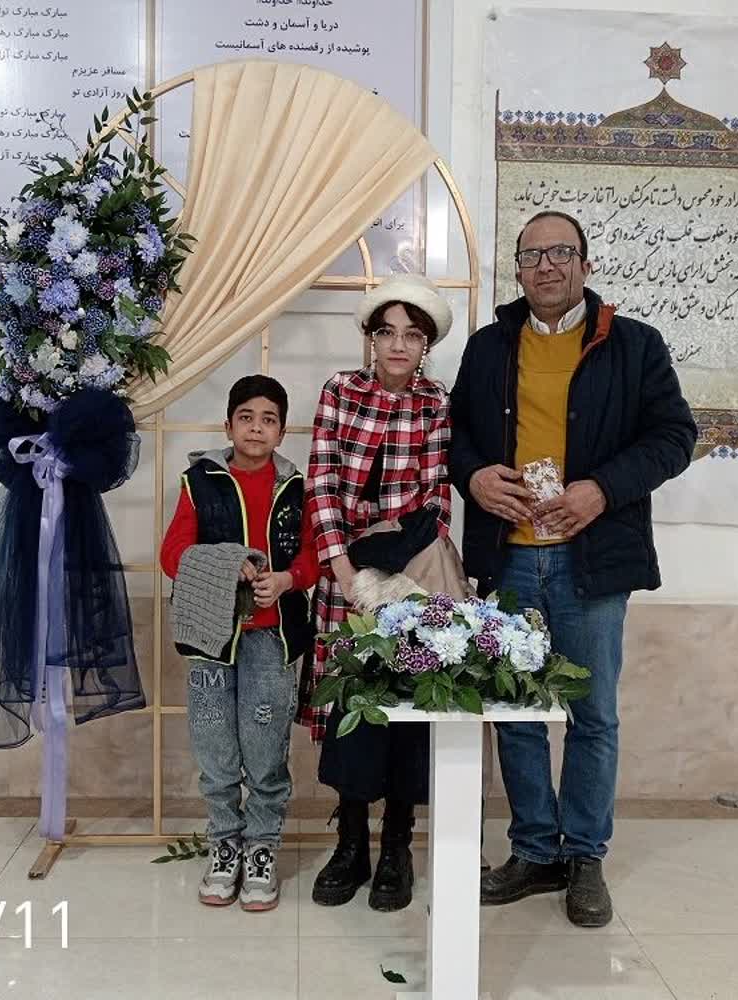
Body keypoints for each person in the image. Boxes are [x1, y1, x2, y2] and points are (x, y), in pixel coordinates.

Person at [449, 210, 697, 926]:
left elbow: (675, 436)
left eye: (560, 252)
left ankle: (585, 854)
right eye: (531, 255)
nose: (546, 266)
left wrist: (602, 489)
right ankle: (534, 851)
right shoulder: (490, 346)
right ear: (518, 272)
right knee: (518, 713)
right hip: (509, 557)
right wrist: (473, 477)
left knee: (592, 715)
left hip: (592, 559)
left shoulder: (634, 345)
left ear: (585, 265)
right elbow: (454, 433)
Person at [299, 273, 454, 912]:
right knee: (353, 706)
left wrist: (401, 583)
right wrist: (344, 572)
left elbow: (436, 495)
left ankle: (397, 844)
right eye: (387, 332)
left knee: (405, 705)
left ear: (425, 346)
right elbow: (321, 482)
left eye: (411, 335)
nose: (397, 345)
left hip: (408, 579)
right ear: (370, 339)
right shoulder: (341, 391)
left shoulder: (435, 402)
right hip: (347, 576)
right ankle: (351, 842)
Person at [160, 374, 319, 911]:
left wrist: (287, 580)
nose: (256, 428)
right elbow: (172, 554)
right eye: (246, 417)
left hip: (272, 639)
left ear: (282, 432)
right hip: (211, 638)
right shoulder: (198, 481)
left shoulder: (296, 487)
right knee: (215, 750)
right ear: (227, 426)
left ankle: (262, 848)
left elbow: (313, 556)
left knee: (265, 748)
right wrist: (228, 565)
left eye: (268, 419)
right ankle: (224, 845)